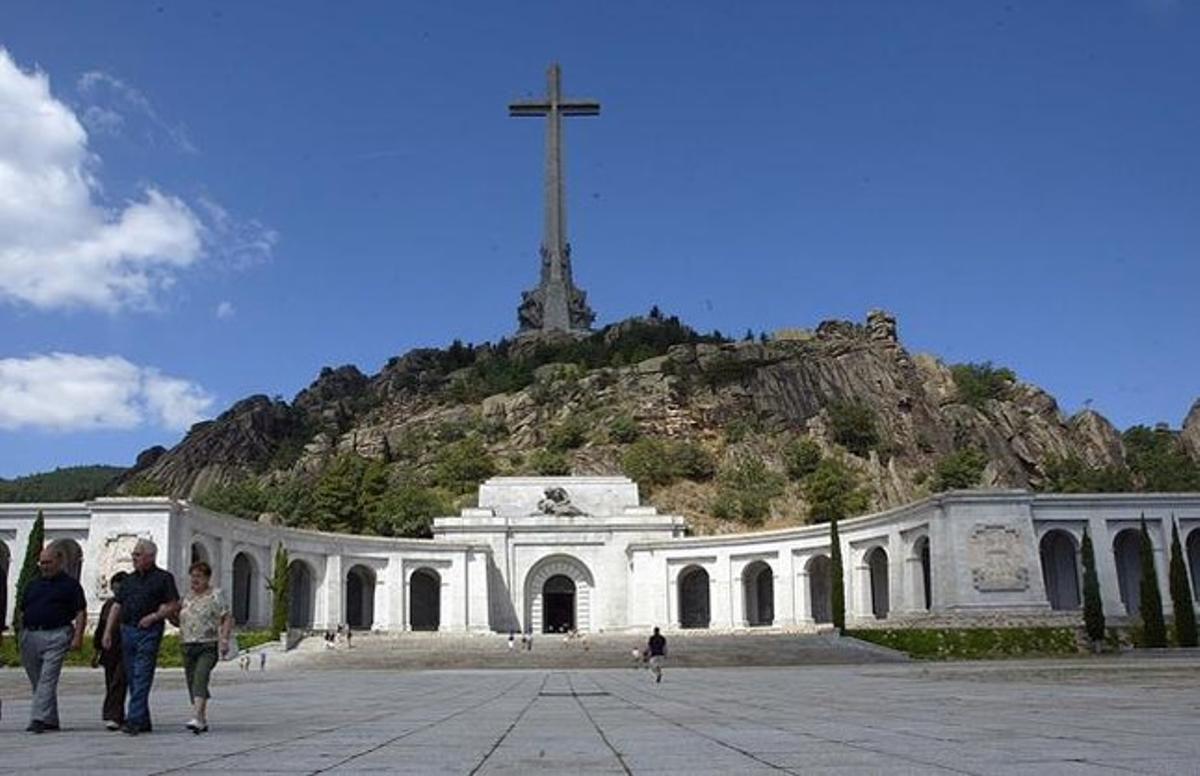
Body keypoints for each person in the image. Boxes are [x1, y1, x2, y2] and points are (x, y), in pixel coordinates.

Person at [102, 538, 180, 736]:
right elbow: (117, 605)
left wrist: (154, 616)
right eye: (133, 555)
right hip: (127, 630)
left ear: (150, 556)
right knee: (132, 676)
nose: (133, 558)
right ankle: (143, 719)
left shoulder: (164, 578)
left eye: (137, 554)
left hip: (149, 631)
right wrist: (108, 631)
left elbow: (173, 604)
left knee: (142, 674)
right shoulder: (128, 580)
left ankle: (134, 719)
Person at [17, 547, 87, 733]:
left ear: (59, 561)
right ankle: (50, 719)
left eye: (48, 562)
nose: (44, 566)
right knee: (38, 680)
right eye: (42, 563)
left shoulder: (71, 585)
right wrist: (21, 634)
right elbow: (22, 610)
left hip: (57, 634)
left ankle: (38, 718)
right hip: (31, 635)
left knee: (47, 679)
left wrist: (78, 637)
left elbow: (80, 612)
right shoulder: (33, 585)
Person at [178, 561, 231, 734]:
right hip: (187, 644)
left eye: (199, 576)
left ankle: (198, 718)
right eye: (192, 576)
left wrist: (224, 639)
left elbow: (226, 617)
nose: (195, 580)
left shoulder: (216, 594)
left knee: (200, 677)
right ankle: (201, 716)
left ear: (207, 578)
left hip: (207, 644)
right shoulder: (187, 597)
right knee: (192, 681)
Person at [93, 571, 129, 730]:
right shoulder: (108, 605)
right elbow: (101, 628)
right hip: (109, 649)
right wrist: (96, 650)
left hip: (126, 646)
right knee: (110, 682)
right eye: (114, 589)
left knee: (119, 681)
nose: (116, 592)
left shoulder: (131, 603)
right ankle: (116, 714)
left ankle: (113, 715)